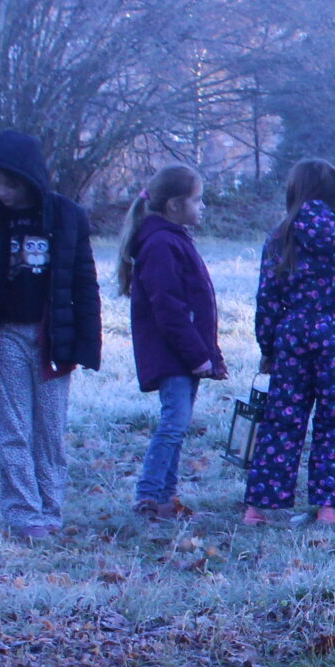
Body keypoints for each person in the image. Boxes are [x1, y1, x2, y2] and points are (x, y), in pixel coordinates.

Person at [244, 160, 335, 525]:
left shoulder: (281, 237)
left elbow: (268, 297)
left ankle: (260, 508)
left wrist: (268, 348)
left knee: (280, 423)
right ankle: (329, 507)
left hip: (292, 335)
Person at [0, 133, 98, 540]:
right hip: (5, 335)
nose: (2, 191)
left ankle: (50, 508)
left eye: (9, 183)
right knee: (12, 427)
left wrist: (86, 344)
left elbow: (83, 282)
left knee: (50, 429)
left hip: (51, 339)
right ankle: (24, 514)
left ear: (30, 178)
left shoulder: (66, 216)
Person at [119, 164, 226, 519]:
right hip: (174, 355)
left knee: (177, 426)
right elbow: (169, 308)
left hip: (182, 353)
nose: (202, 207)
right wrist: (197, 356)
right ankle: (149, 495)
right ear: (175, 205)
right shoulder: (162, 244)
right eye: (197, 200)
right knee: (173, 424)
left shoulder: (170, 238)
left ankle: (166, 497)